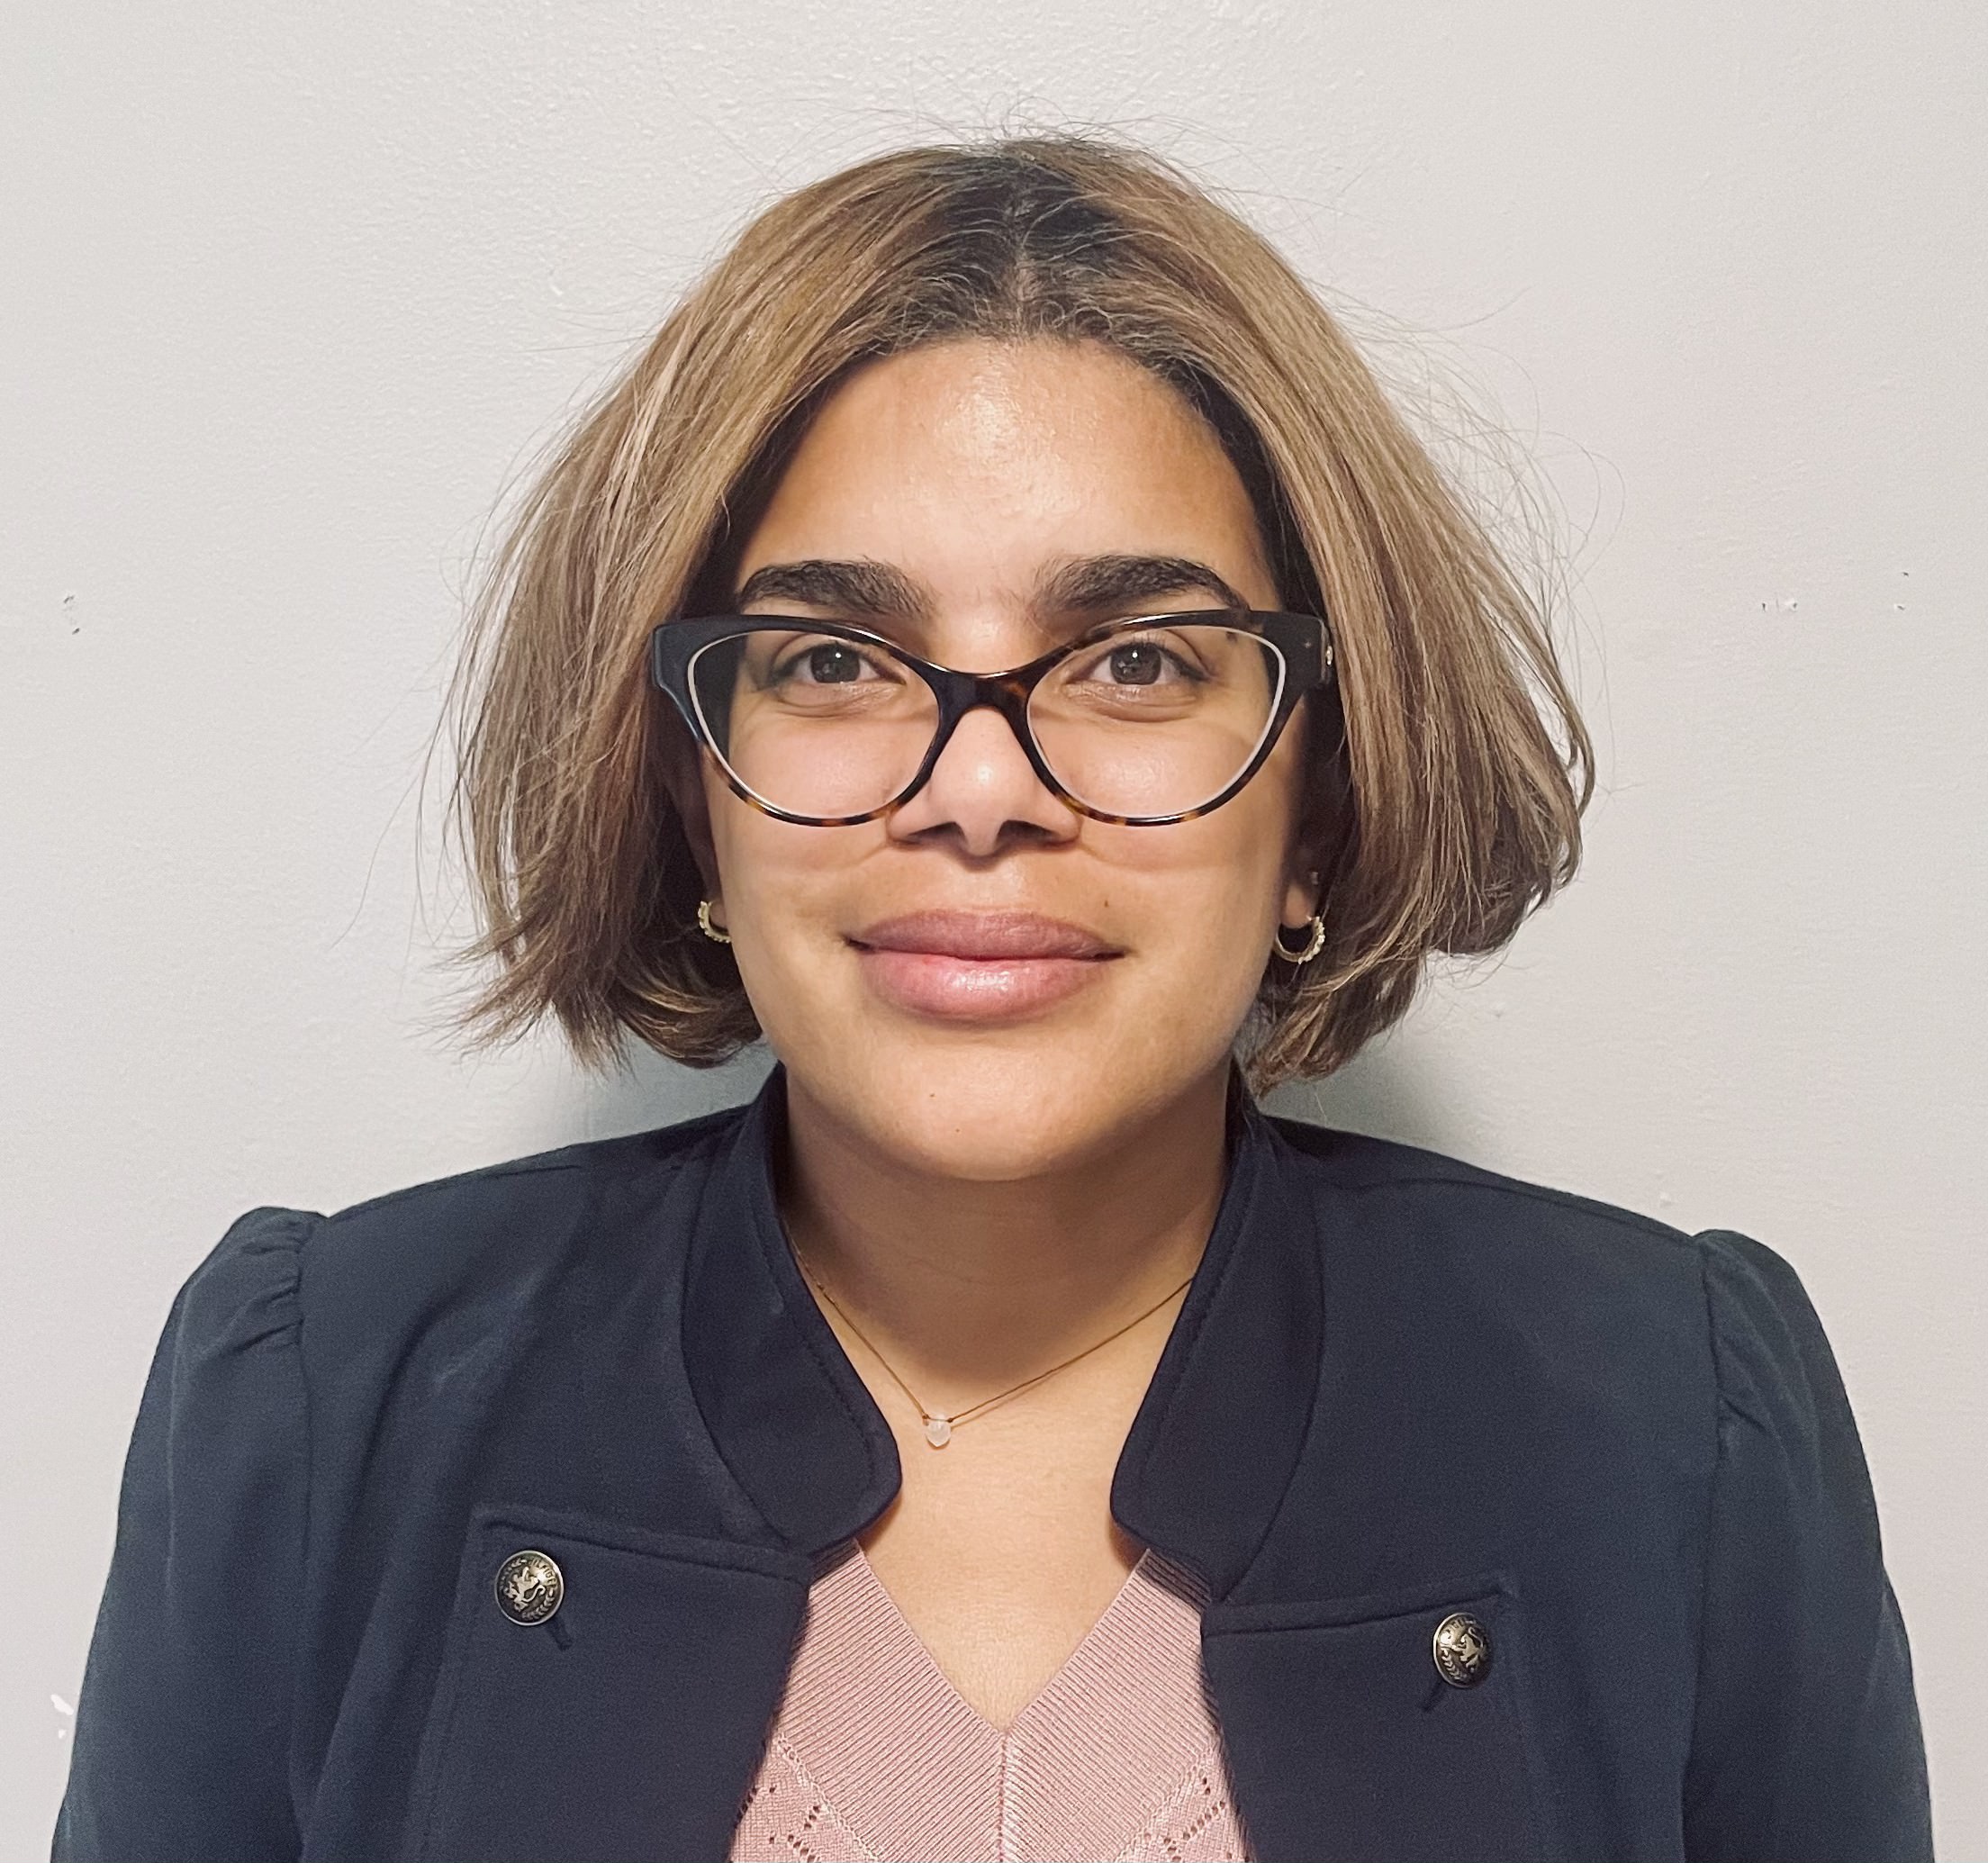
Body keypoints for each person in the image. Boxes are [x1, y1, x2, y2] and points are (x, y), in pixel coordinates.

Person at [52, 136, 1931, 1863]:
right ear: (692, 793)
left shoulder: (1673, 1425)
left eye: (1137, 659)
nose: (976, 789)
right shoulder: (321, 1402)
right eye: (830, 658)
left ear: (1318, 800)